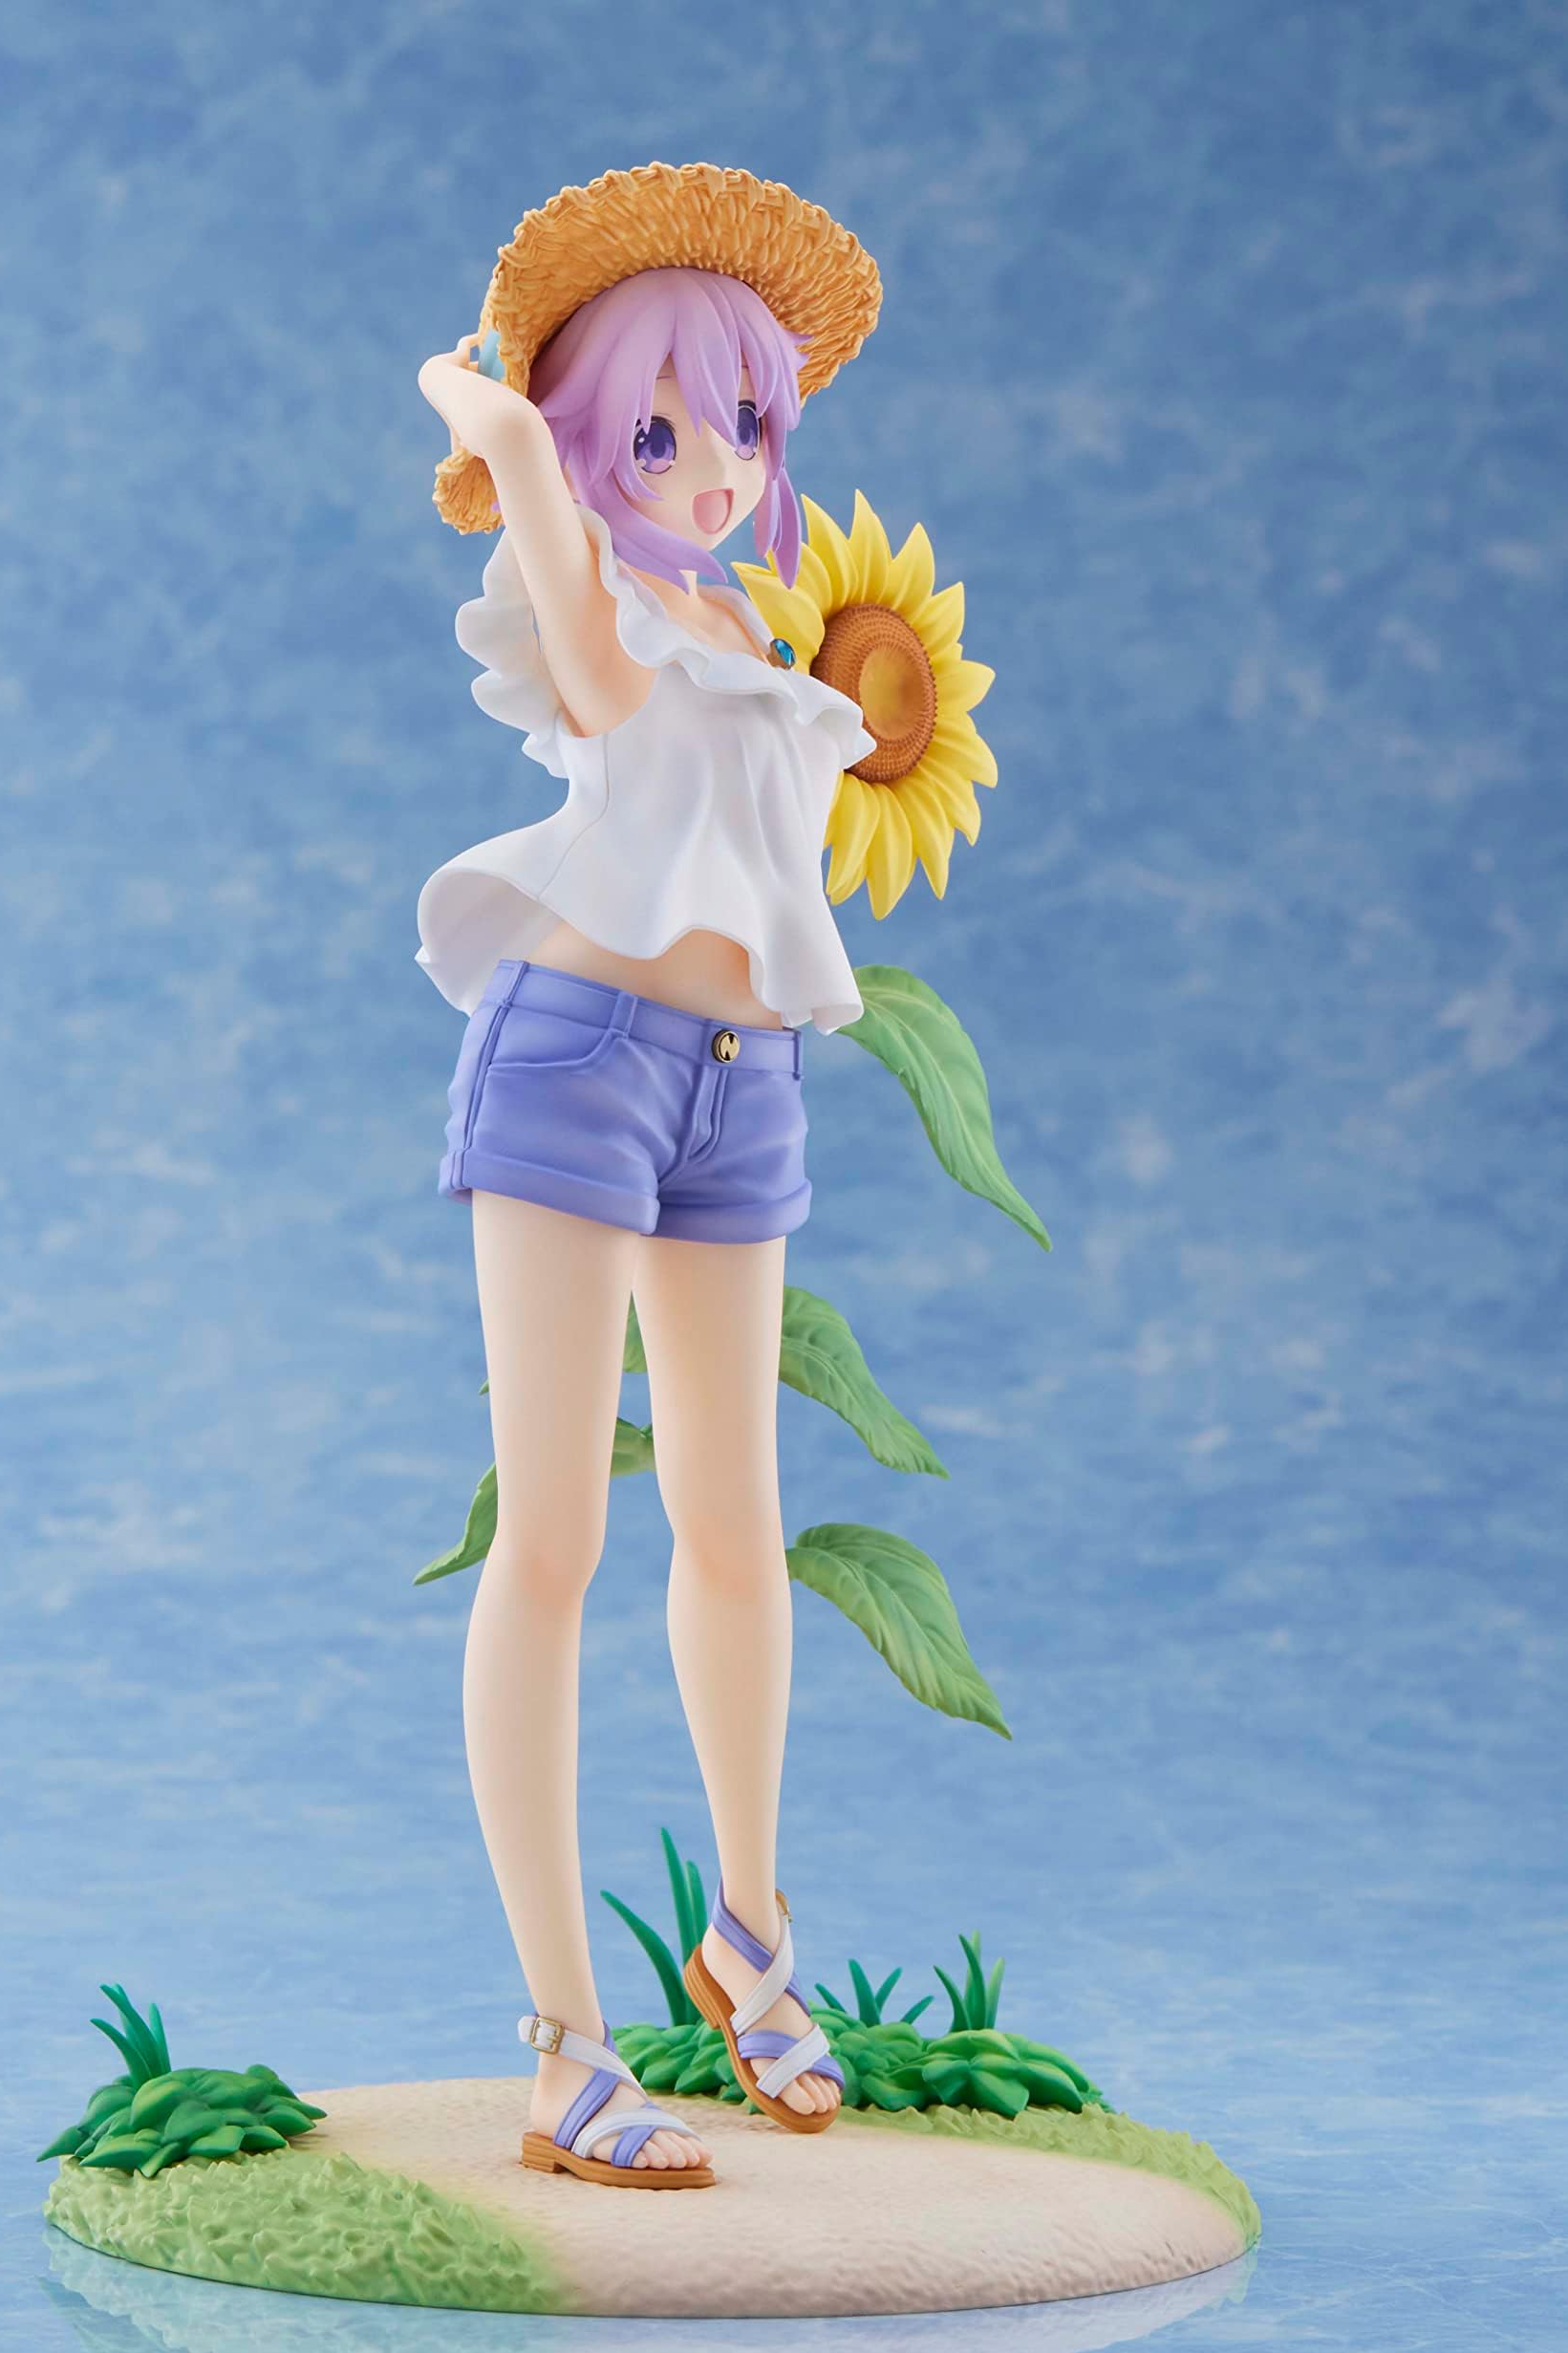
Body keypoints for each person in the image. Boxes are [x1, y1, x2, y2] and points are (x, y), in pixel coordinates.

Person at [414, 163, 879, 2190]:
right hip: (579, 1063)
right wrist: (501, 426)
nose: (709, 466)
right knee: (551, 1537)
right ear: (596, 435)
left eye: (741, 425)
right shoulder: (594, 601)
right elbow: (596, 678)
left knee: (736, 1522)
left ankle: (749, 1935)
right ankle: (560, 2038)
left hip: (743, 1080)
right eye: (660, 427)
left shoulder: (739, 620)